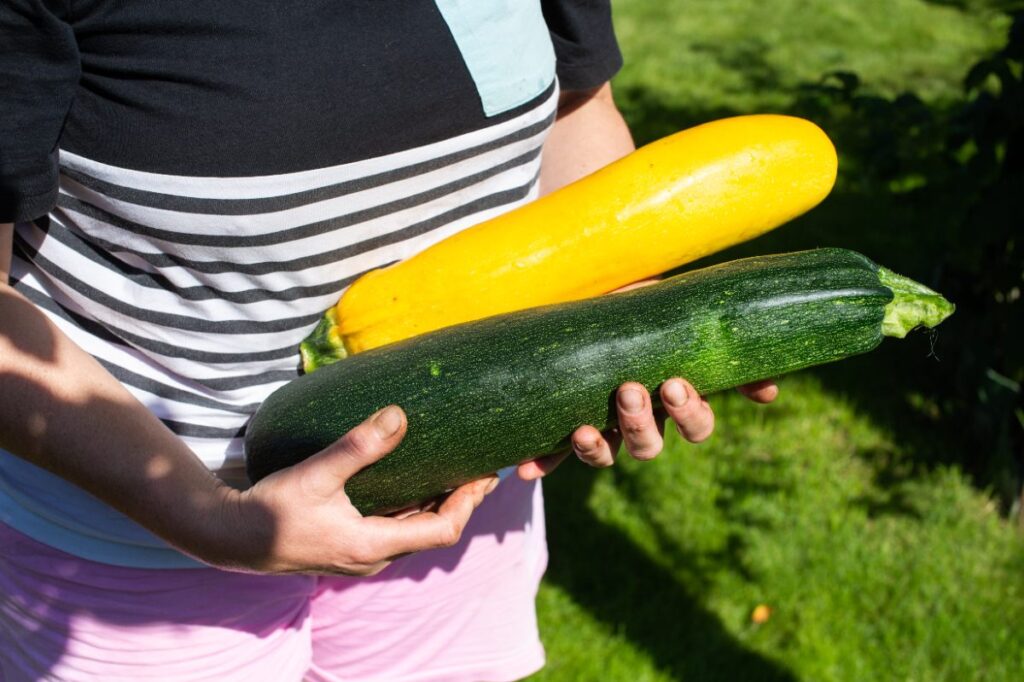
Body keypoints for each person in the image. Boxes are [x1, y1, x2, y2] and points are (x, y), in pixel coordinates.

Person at [0, 2, 778, 680]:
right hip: (138, 533)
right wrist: (212, 520)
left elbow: (576, 107)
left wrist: (633, 323)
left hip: (462, 491)